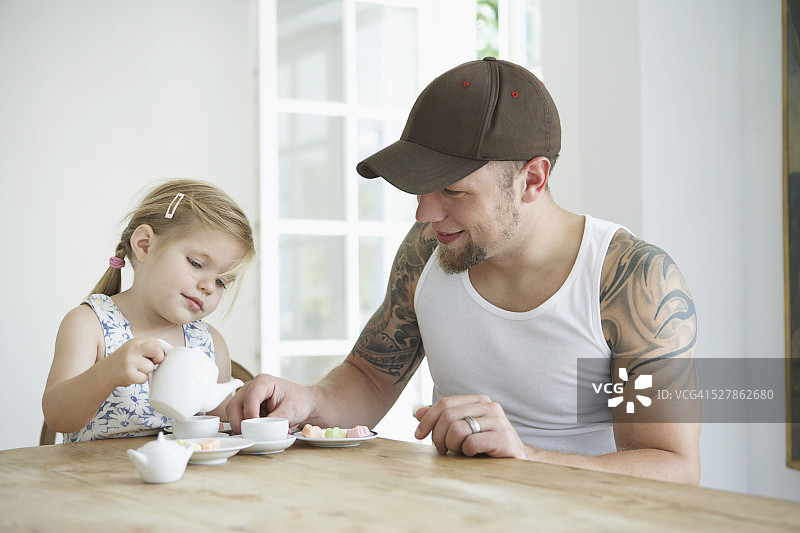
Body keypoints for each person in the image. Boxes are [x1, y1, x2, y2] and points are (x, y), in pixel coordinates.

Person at [227, 57, 700, 484]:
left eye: (453, 191)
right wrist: (308, 399)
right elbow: (370, 378)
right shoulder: (428, 248)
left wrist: (528, 457)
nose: (424, 215)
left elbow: (673, 466)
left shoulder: (630, 279)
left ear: (532, 180)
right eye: (420, 188)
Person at [43, 179, 256, 442]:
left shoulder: (210, 343)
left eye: (221, 281)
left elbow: (221, 422)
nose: (209, 287)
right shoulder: (90, 325)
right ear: (145, 245)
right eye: (196, 263)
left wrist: (251, 407)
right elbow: (57, 416)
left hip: (187, 481)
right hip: (94, 479)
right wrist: (106, 374)